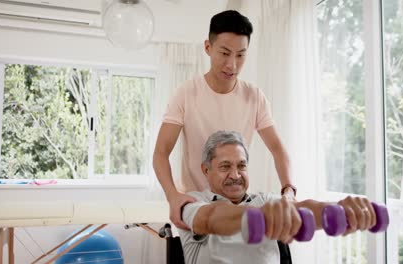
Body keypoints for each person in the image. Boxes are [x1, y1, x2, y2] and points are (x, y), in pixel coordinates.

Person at [153, 10, 295, 230]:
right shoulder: (186, 93)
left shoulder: (254, 97)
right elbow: (161, 152)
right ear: (208, 48)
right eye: (225, 53)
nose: (232, 65)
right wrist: (173, 196)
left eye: (241, 55)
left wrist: (288, 190)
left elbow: (278, 149)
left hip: (237, 205)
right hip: (196, 206)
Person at [179, 131, 377, 264]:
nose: (235, 175)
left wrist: (340, 210)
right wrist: (262, 216)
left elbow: (302, 210)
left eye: (241, 166)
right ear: (206, 170)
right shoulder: (193, 201)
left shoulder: (265, 200)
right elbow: (211, 218)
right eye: (225, 166)